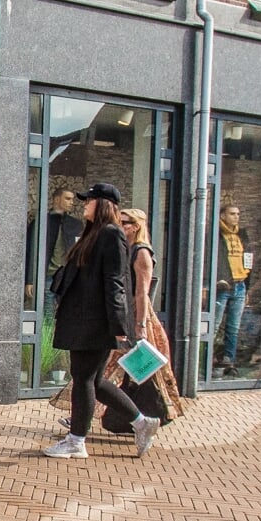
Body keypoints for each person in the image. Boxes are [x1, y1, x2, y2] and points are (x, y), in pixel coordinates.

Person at [43, 183, 158, 459]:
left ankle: (76, 440)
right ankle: (142, 423)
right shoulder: (94, 233)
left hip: (95, 321)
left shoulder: (111, 234)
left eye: (90, 200)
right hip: (85, 318)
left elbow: (115, 282)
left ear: (104, 204)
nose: (84, 204)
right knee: (91, 381)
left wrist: (119, 327)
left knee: (83, 378)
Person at [52, 207, 184, 431]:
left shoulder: (141, 252)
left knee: (110, 373)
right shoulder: (122, 247)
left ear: (136, 227)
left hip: (131, 318)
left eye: (125, 223)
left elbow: (142, 292)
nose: (121, 226)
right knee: (100, 374)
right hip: (119, 315)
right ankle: (92, 419)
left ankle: (136, 418)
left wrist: (139, 325)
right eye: (119, 222)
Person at [214, 203, 252, 374]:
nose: (236, 217)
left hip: (240, 285)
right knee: (213, 325)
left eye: (238, 213)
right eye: (232, 213)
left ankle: (229, 361)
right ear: (222, 215)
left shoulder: (242, 235)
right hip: (223, 285)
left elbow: (249, 258)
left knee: (233, 327)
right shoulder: (216, 234)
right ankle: (206, 361)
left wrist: (247, 288)